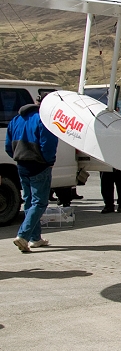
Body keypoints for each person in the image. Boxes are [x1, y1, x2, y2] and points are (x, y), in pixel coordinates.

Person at [5, 94, 59, 253]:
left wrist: (19, 157)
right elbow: (48, 145)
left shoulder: (16, 120)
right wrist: (49, 162)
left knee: (29, 201)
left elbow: (8, 147)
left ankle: (35, 238)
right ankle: (23, 235)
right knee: (40, 203)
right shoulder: (44, 120)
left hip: (21, 165)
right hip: (39, 166)